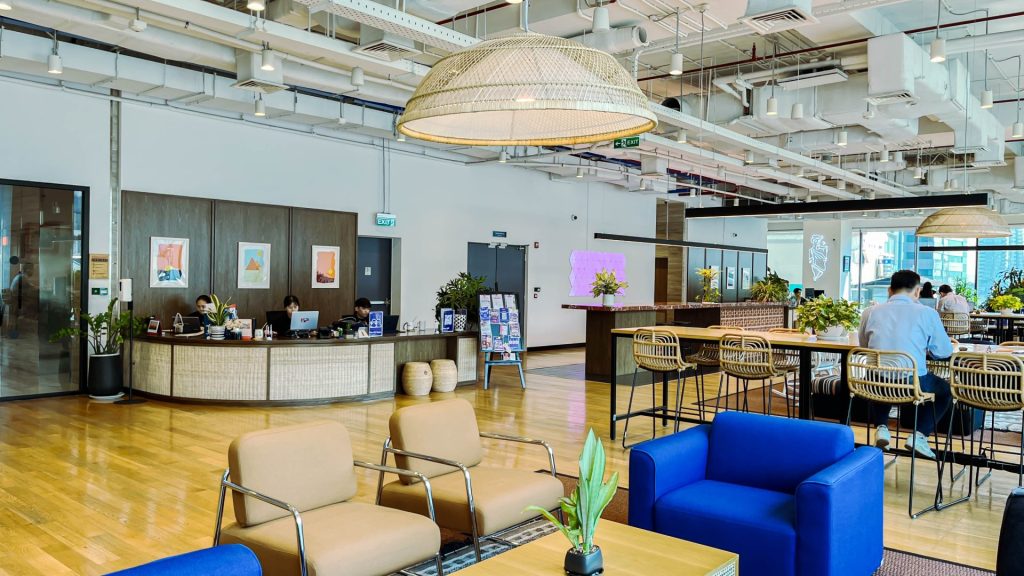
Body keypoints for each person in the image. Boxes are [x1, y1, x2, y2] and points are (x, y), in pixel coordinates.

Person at [858, 270, 953, 459]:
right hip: (911, 385)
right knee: (946, 391)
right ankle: (919, 436)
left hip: (875, 384)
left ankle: (882, 427)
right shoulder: (927, 313)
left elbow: (864, 345)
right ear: (917, 291)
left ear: (889, 290)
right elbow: (944, 352)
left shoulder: (870, 312)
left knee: (882, 375)